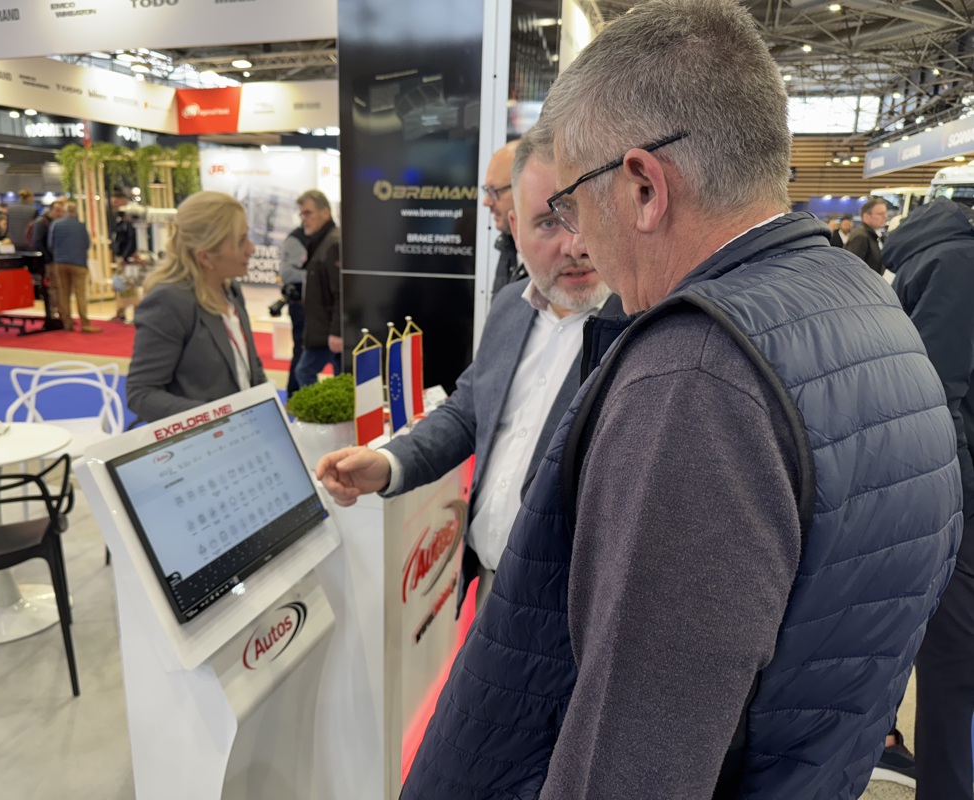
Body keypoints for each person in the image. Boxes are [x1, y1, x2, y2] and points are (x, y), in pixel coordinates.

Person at [400, 3, 963, 799]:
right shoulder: (855, 301)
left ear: (641, 186)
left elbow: (631, 763)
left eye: (573, 204)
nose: (577, 241)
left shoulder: (696, 376)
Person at [317, 136, 621, 612]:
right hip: (487, 584)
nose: (575, 244)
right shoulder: (511, 307)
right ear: (515, 227)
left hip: (571, 612)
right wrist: (390, 463)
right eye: (549, 222)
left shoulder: (639, 331)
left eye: (585, 216)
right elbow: (467, 412)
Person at [882, 197, 974, 800]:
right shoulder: (958, 263)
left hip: (943, 494)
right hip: (953, 501)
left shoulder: (943, 257)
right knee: (955, 662)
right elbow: (937, 396)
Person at [126, 191, 267, 424]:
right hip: (204, 441)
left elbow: (250, 369)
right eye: (241, 241)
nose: (251, 249)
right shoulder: (170, 302)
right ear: (206, 257)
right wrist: (216, 417)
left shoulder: (231, 291)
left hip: (242, 434)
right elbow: (141, 394)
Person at [292, 190, 340, 391]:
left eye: (308, 213)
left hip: (328, 332)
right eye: (302, 214)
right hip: (323, 330)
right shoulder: (322, 242)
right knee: (339, 377)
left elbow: (341, 292)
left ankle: (321, 407)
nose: (304, 219)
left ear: (325, 213)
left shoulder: (332, 243)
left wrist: (337, 331)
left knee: (304, 371)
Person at [483, 140, 527, 296]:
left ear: (525, 188)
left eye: (494, 191)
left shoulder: (556, 254)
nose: (486, 202)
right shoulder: (508, 246)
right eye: (487, 191)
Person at [48, 201, 97, 333]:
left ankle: (67, 322)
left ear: (65, 211)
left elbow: (50, 244)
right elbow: (87, 244)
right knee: (80, 293)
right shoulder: (81, 226)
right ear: (76, 212)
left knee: (63, 293)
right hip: (78, 263)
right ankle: (85, 323)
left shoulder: (56, 224)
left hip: (60, 262)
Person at [278, 224, 311, 395]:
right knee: (302, 352)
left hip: (319, 308)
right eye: (304, 213)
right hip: (301, 306)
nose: (306, 218)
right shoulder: (296, 239)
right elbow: (287, 273)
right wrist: (316, 275)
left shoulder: (324, 238)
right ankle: (294, 397)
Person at [30, 200, 65, 320]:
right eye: (57, 210)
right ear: (51, 210)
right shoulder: (42, 223)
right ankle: (53, 314)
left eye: (62, 211)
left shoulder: (55, 223)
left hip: (56, 260)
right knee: (53, 288)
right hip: (48, 262)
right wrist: (47, 258)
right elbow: (37, 242)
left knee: (57, 288)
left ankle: (60, 313)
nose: (60, 214)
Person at [110, 203, 144, 324]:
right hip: (123, 257)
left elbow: (131, 241)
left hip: (128, 259)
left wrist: (125, 257)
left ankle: (134, 314)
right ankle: (121, 312)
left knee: (131, 285)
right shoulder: (121, 223)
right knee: (123, 286)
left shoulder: (131, 225)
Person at [845, 197, 888, 274]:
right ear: (866, 216)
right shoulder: (860, 237)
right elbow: (852, 268)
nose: (885, 217)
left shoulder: (876, 236)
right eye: (880, 214)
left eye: (885, 213)